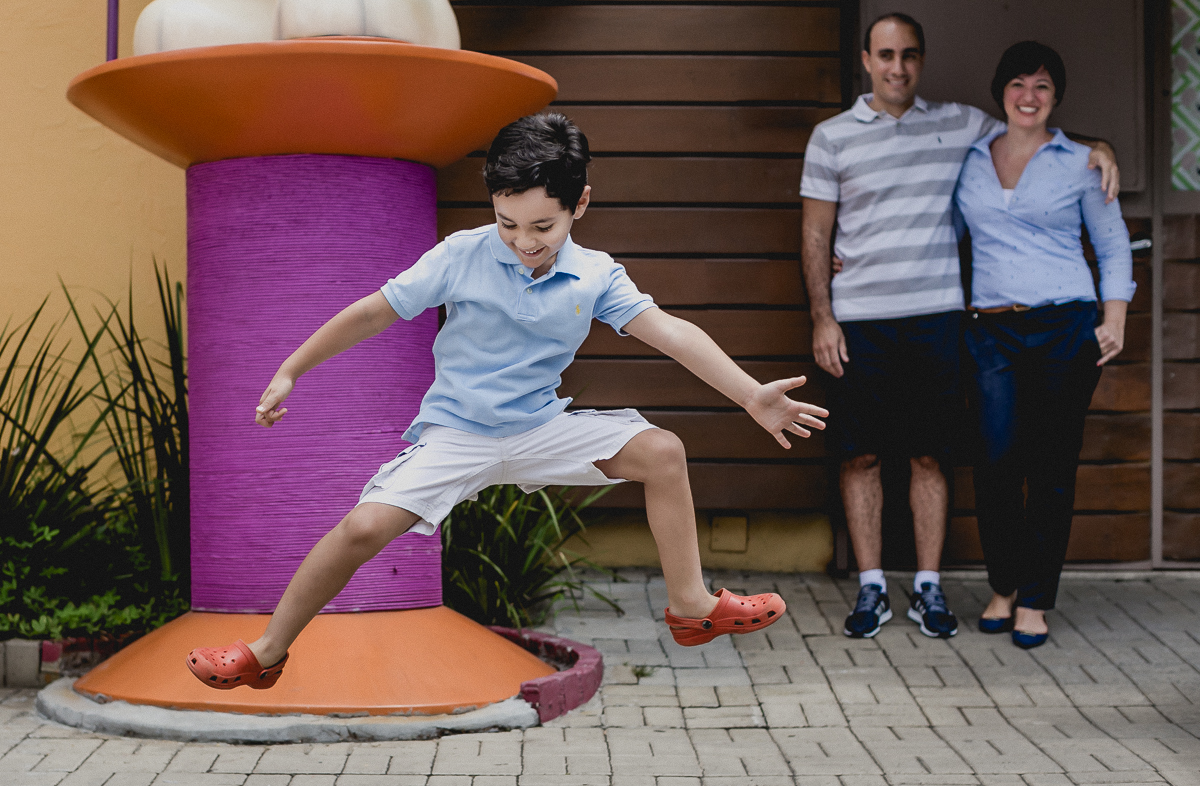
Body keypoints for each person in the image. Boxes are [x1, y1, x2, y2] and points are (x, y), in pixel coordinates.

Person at [186, 112, 829, 689]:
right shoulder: (461, 256)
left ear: (580, 203)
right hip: (458, 432)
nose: (524, 240)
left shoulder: (598, 274)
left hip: (538, 427)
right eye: (507, 222)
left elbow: (672, 334)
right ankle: (266, 652)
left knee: (662, 452)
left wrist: (751, 395)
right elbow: (372, 314)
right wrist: (293, 369)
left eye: (543, 226)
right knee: (361, 527)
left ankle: (691, 608)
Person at [800, 13, 1119, 640]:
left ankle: (929, 589)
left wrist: (1099, 145)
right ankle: (871, 590)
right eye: (886, 55)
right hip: (860, 319)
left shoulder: (961, 126)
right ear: (866, 60)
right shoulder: (831, 137)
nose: (898, 67)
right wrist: (822, 315)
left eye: (909, 55)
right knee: (863, 456)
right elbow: (815, 232)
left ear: (921, 60)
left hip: (942, 317)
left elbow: (1035, 132)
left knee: (932, 455)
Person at [954, 41, 1135, 649]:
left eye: (1043, 87)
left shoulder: (1082, 161)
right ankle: (1002, 586)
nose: (1029, 97)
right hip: (991, 328)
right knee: (997, 459)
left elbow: (1111, 246)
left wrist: (1115, 317)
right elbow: (939, 230)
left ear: (1056, 98)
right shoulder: (970, 158)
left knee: (1052, 464)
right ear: (1001, 90)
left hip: (1064, 325)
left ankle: (1035, 599)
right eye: (1019, 84)